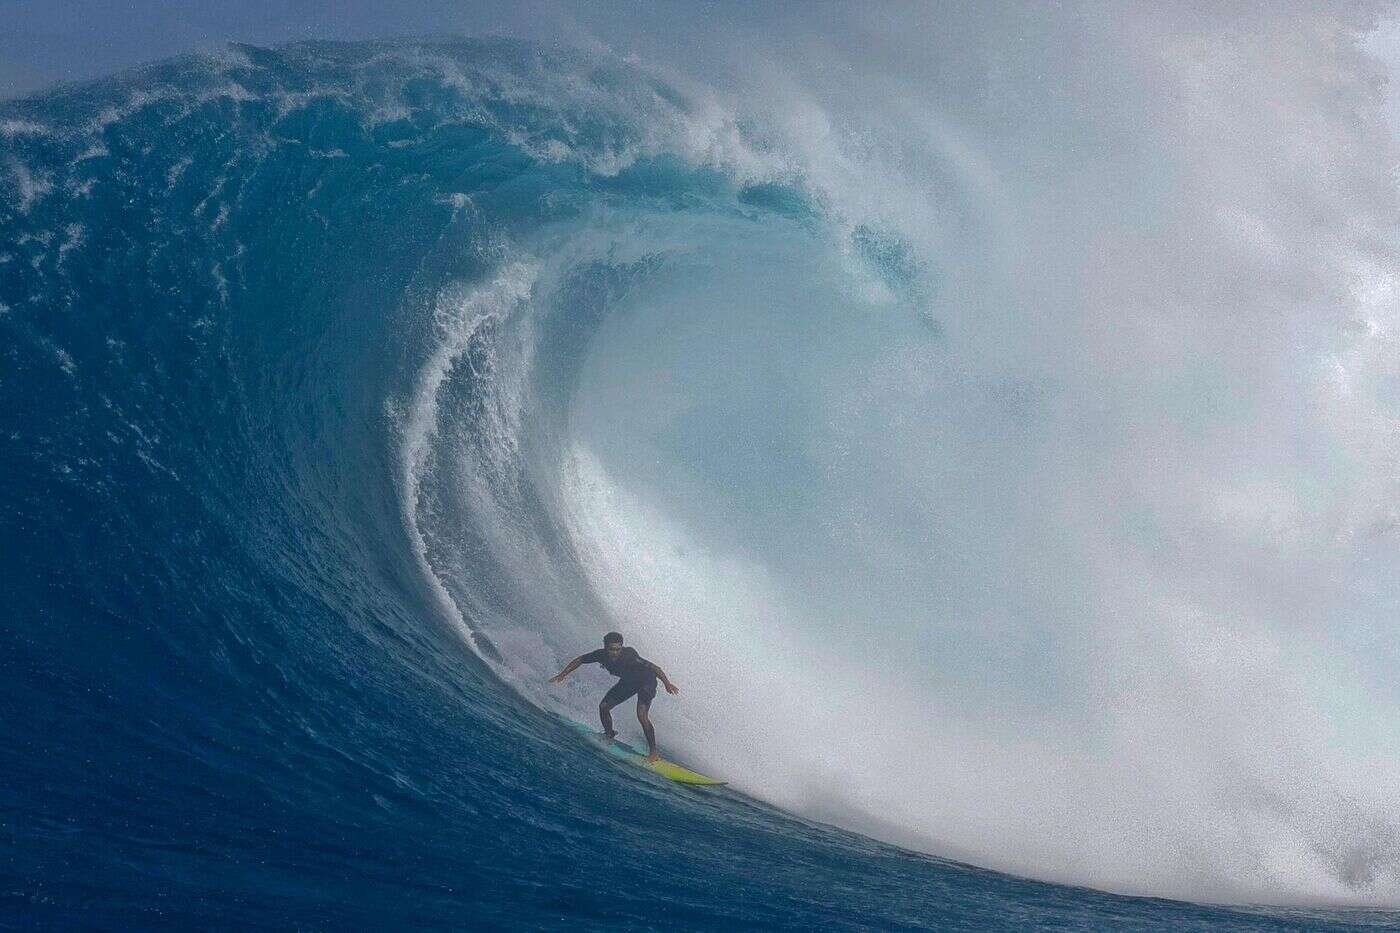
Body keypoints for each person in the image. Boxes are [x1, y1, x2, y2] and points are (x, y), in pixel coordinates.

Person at [548, 632, 679, 762]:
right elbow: (580, 660)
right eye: (611, 649)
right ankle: (609, 734)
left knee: (641, 715)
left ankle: (653, 754)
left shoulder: (629, 655)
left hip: (646, 681)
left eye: (618, 649)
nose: (615, 652)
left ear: (621, 647)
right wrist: (562, 674)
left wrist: (667, 684)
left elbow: (655, 667)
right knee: (604, 707)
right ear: (605, 647)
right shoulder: (600, 655)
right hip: (628, 682)